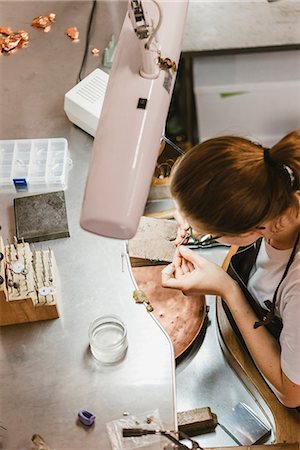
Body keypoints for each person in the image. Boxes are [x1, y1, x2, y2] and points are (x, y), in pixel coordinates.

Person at [161, 130, 300, 408]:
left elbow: (291, 393)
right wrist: (192, 218)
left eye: (209, 231)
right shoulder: (270, 175)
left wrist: (228, 289)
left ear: (250, 230)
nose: (193, 232)